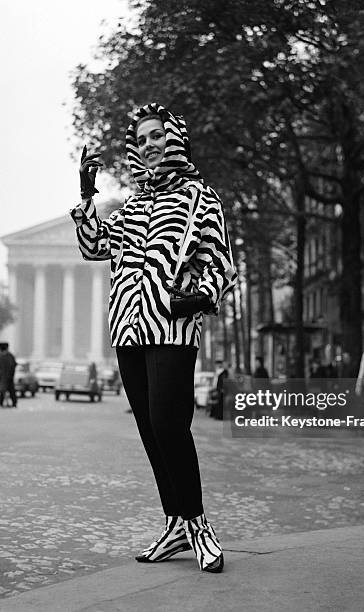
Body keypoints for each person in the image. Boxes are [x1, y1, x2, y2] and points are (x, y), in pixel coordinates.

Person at [70, 103, 236, 573]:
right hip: (127, 329)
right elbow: (92, 247)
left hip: (173, 328)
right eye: (141, 140)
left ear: (174, 137)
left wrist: (196, 298)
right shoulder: (133, 205)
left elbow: (221, 263)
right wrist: (87, 192)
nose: (149, 144)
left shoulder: (200, 197)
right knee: (149, 431)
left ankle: (199, 525)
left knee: (169, 425)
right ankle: (174, 524)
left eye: (156, 135)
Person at [0, 342, 18, 408]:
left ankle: (4, 402)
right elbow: (14, 365)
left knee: (6, 389)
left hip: (4, 376)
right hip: (8, 376)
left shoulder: (1, 356)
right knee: (8, 390)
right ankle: (11, 402)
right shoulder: (10, 356)